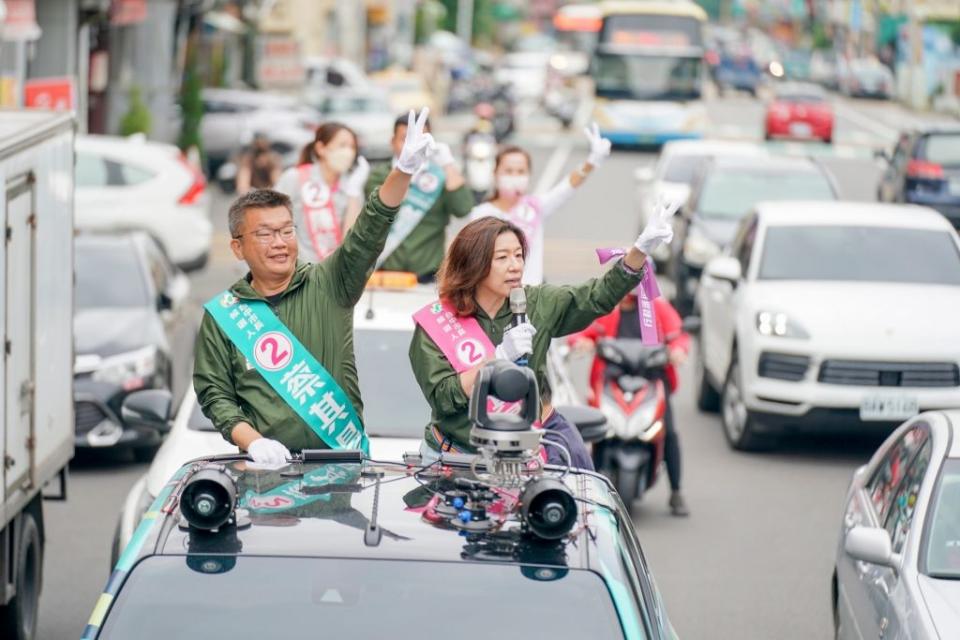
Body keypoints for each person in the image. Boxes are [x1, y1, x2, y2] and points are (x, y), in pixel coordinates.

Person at [194, 108, 436, 465]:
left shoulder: (330, 284)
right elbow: (215, 394)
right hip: (263, 476)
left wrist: (402, 172)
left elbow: (368, 232)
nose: (279, 242)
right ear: (237, 247)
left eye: (286, 230)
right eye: (264, 233)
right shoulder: (224, 315)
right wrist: (255, 442)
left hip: (340, 470)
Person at [409, 198, 679, 470]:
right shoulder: (437, 322)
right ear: (473, 264)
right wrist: (496, 359)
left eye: (518, 255)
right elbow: (444, 399)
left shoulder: (537, 303)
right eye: (502, 258)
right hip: (454, 458)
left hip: (524, 457)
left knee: (584, 499)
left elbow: (596, 297)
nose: (515, 265)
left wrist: (638, 252)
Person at [569, 291, 691, 516]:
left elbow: (680, 337)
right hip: (613, 381)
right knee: (596, 430)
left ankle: (676, 491)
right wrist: (581, 342)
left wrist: (678, 351)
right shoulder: (606, 306)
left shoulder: (657, 308)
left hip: (652, 380)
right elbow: (582, 331)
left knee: (668, 431)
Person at [468, 123, 611, 286]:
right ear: (495, 173)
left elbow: (567, 187)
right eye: (508, 171)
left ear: (529, 175)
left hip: (533, 297)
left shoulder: (535, 207)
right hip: (496, 299)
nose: (515, 176)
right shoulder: (481, 214)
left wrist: (591, 162)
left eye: (521, 171)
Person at [363, 113, 474, 283]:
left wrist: (448, 164)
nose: (413, 147)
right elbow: (379, 213)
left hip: (428, 275)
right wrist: (405, 172)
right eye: (405, 139)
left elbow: (463, 209)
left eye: (419, 140)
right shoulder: (379, 175)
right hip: (385, 274)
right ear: (392, 142)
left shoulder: (440, 176)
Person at [274, 122, 370, 263]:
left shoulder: (352, 186)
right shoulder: (295, 177)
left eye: (352, 147)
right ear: (321, 148)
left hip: (332, 273)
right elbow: (270, 221)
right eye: (342, 145)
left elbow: (351, 240)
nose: (348, 152)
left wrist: (354, 194)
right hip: (297, 272)